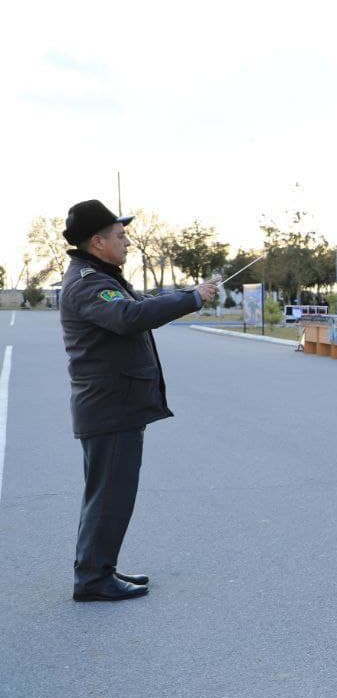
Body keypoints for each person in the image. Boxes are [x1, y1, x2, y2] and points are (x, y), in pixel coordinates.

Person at [58, 200, 218, 602]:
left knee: (109, 494)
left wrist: (187, 295)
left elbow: (139, 306)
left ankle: (99, 568)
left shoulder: (99, 276)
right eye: (120, 235)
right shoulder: (89, 282)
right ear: (97, 242)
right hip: (110, 407)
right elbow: (129, 316)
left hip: (114, 404)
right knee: (110, 496)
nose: (127, 242)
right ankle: (93, 579)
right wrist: (192, 299)